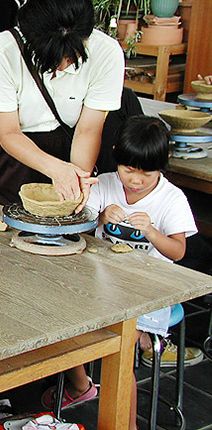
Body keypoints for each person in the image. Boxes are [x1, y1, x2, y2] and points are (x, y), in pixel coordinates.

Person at [43, 116, 201, 427]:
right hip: (101, 280)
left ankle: (124, 424)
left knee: (120, 353)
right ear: (116, 155)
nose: (136, 181)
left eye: (147, 174)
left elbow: (178, 251)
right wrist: (100, 217)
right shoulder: (104, 185)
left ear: (162, 167)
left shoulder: (171, 199)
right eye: (129, 170)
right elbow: (83, 232)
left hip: (149, 288)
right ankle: (81, 385)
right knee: (58, 318)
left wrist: (153, 233)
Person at [0, 0, 125, 208]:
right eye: (54, 54)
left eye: (71, 54)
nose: (63, 65)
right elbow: (8, 132)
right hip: (15, 153)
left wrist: (77, 180)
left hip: (72, 147)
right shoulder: (2, 51)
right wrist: (55, 169)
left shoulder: (107, 52)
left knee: (68, 219)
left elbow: (88, 130)